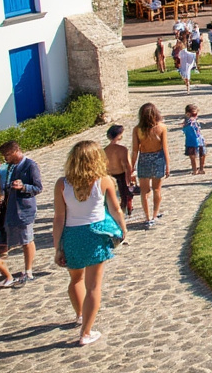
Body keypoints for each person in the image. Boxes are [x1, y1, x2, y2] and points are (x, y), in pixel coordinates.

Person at [52, 140, 127, 346]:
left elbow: (59, 217)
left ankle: (79, 315)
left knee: (76, 279)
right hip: (95, 235)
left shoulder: (62, 183)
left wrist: (57, 246)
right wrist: (123, 228)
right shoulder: (103, 180)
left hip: (72, 235)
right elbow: (115, 209)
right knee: (93, 286)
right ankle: (86, 332)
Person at [0, 141, 42, 282]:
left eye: (7, 154)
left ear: (16, 151)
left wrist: (23, 187)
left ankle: (28, 271)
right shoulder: (10, 167)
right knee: (9, 240)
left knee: (27, 239)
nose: (5, 158)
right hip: (12, 209)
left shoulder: (30, 165)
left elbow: (38, 188)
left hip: (25, 209)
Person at [103, 125, 134, 216]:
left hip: (110, 175)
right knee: (124, 196)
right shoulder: (122, 149)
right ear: (119, 135)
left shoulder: (105, 150)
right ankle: (124, 213)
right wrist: (129, 178)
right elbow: (127, 165)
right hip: (121, 175)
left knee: (111, 198)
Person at [182, 105, 207, 176]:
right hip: (191, 141)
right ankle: (195, 169)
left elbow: (198, 131)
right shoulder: (189, 122)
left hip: (198, 140)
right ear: (188, 114)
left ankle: (201, 168)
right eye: (194, 114)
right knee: (192, 156)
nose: (195, 116)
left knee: (202, 154)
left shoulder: (194, 121)